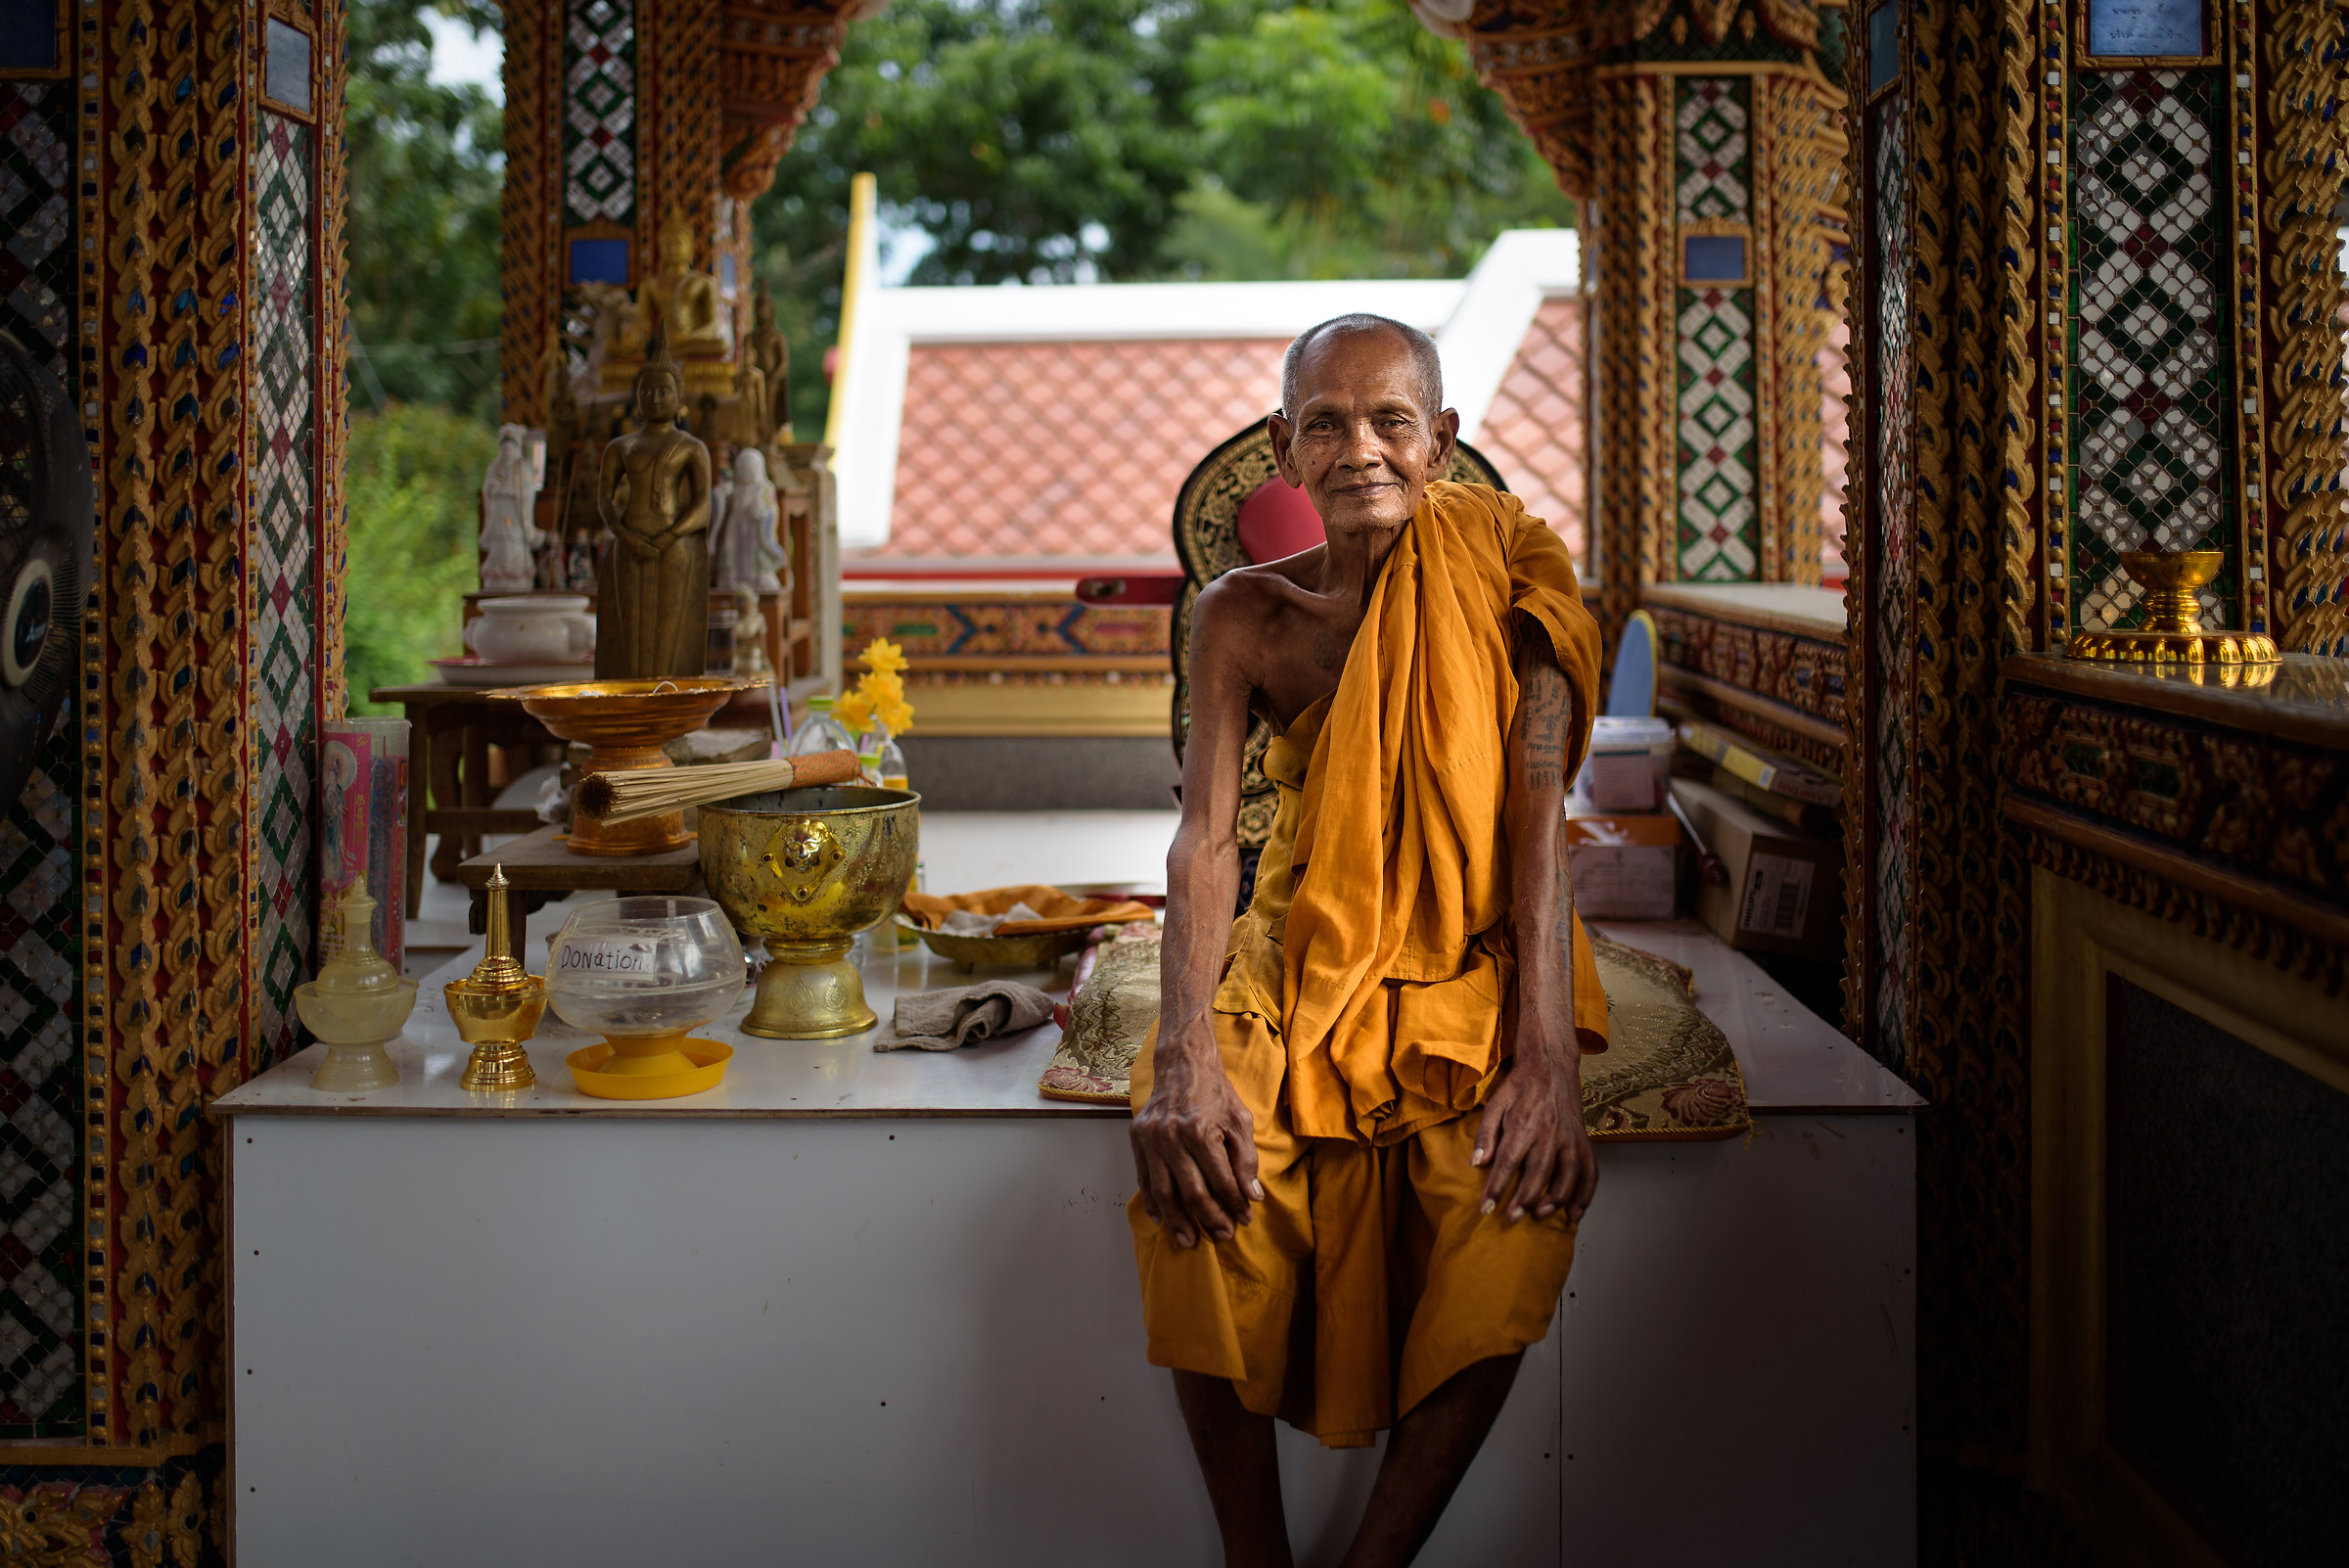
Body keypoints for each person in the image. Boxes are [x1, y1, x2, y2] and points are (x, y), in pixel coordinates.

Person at [1128, 313, 1608, 1567]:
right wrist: (1182, 1048)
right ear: (1285, 449)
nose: (1362, 450)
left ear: (1440, 443)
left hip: (1473, 948)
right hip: (1301, 941)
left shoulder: (1509, 574)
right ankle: (1256, 1559)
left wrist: (1549, 1062)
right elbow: (1204, 844)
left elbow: (1536, 822)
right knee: (1206, 1185)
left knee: (1506, 1209)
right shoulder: (1246, 615)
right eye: (1327, 424)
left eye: (1393, 421)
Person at [594, 325, 713, 679]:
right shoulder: (621, 447)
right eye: (647, 391)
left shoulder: (692, 447)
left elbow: (704, 503)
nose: (656, 398)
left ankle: (666, 701)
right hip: (629, 543)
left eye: (664, 391)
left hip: (674, 543)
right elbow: (604, 500)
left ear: (680, 398)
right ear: (636, 397)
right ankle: (632, 700)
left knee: (669, 628)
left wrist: (671, 534)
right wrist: (624, 535)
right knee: (630, 630)